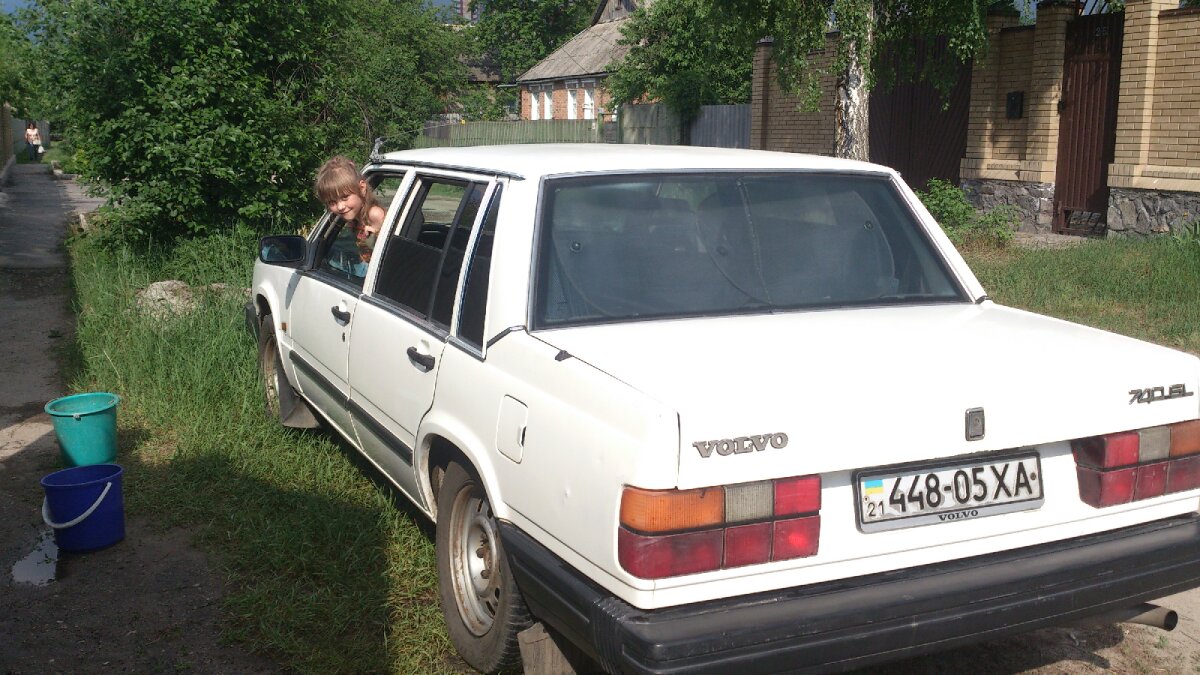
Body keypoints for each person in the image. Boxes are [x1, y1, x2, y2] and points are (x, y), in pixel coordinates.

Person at [313, 156, 385, 266]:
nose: (340, 207)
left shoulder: (375, 215)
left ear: (362, 188)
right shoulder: (354, 219)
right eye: (332, 202)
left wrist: (376, 235)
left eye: (345, 197)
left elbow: (391, 250)